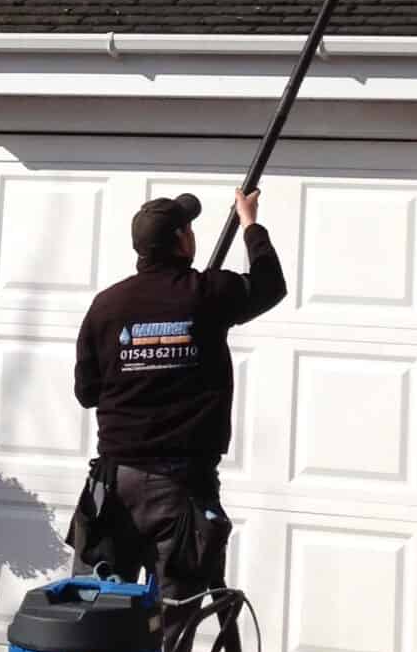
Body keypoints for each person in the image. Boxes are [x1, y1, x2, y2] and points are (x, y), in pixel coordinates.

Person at [71, 186, 287, 605]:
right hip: (181, 487)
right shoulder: (208, 293)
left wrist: (139, 368)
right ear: (181, 239)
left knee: (97, 610)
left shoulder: (106, 306)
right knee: (174, 617)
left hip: (116, 483)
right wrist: (250, 222)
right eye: (189, 227)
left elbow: (87, 392)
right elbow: (270, 284)